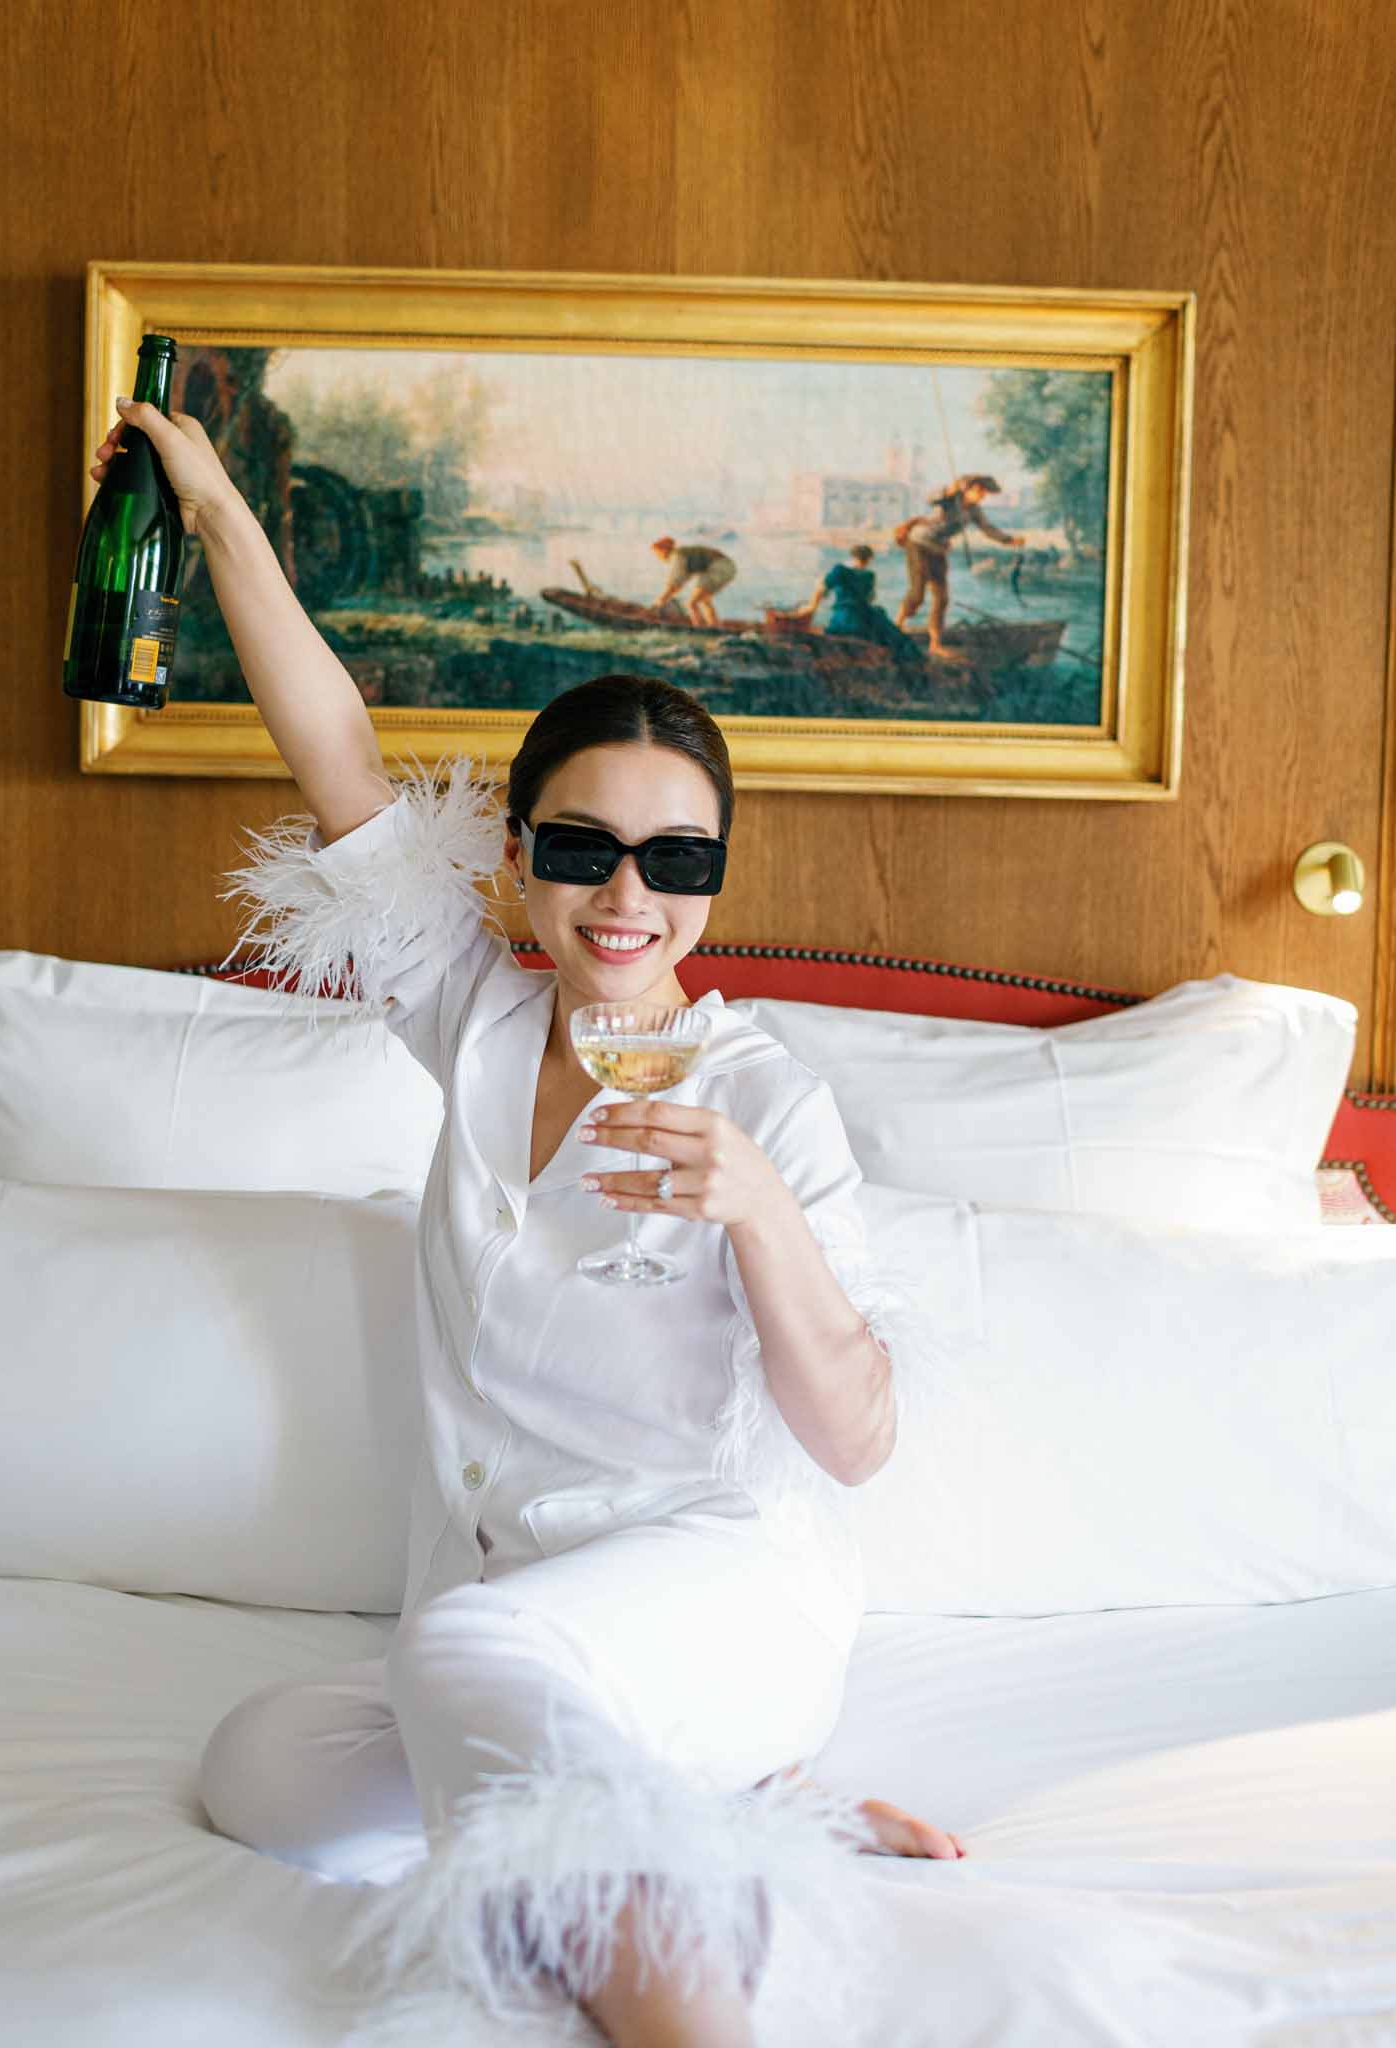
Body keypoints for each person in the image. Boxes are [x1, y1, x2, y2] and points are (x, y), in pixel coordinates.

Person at [90, 399, 966, 2048]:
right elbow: (335, 752)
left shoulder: (765, 1101)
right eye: (580, 847)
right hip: (503, 1608)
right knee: (265, 1771)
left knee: (475, 1660)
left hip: (710, 1588)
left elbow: (852, 1442)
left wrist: (759, 1210)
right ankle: (749, 1817)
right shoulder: (476, 1018)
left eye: (672, 856)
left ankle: (688, 2010)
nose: (625, 897)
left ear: (715, 872)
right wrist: (210, 507)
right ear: (514, 858)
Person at [894, 473, 1026, 657]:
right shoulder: (949, 499)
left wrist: (1009, 540)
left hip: (938, 550)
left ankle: (935, 643)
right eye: (979, 490)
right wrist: (950, 489)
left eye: (984, 492)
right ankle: (897, 625)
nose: (982, 495)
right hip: (918, 543)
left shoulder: (974, 511)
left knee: (942, 598)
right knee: (917, 595)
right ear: (967, 489)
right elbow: (930, 498)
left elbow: (988, 529)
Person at [775, 542, 925, 666]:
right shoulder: (869, 575)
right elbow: (870, 599)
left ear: (853, 556)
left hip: (844, 618)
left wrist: (811, 607)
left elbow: (821, 589)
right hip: (863, 618)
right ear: (869, 559)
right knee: (883, 621)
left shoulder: (840, 570)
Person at [650, 534, 737, 627]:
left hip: (719, 568)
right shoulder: (683, 554)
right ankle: (715, 625)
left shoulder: (677, 556)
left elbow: (674, 584)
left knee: (691, 603)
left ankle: (699, 627)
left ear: (664, 550)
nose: (658, 557)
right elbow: (680, 581)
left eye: (657, 553)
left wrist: (658, 604)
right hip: (726, 567)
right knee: (704, 600)